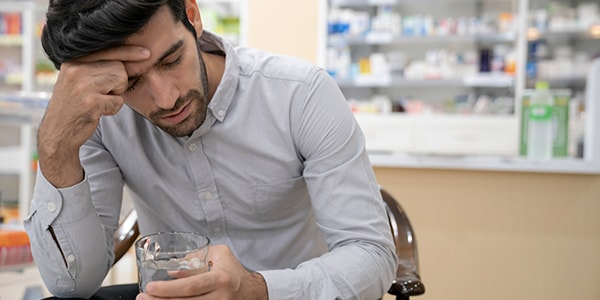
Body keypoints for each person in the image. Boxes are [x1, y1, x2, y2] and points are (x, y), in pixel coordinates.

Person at [24, 0, 398, 299]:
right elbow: (72, 284)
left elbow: (370, 255)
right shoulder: (101, 114)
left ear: (192, 15)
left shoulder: (300, 94)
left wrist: (257, 290)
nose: (166, 98)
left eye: (171, 60)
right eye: (132, 82)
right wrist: (55, 146)